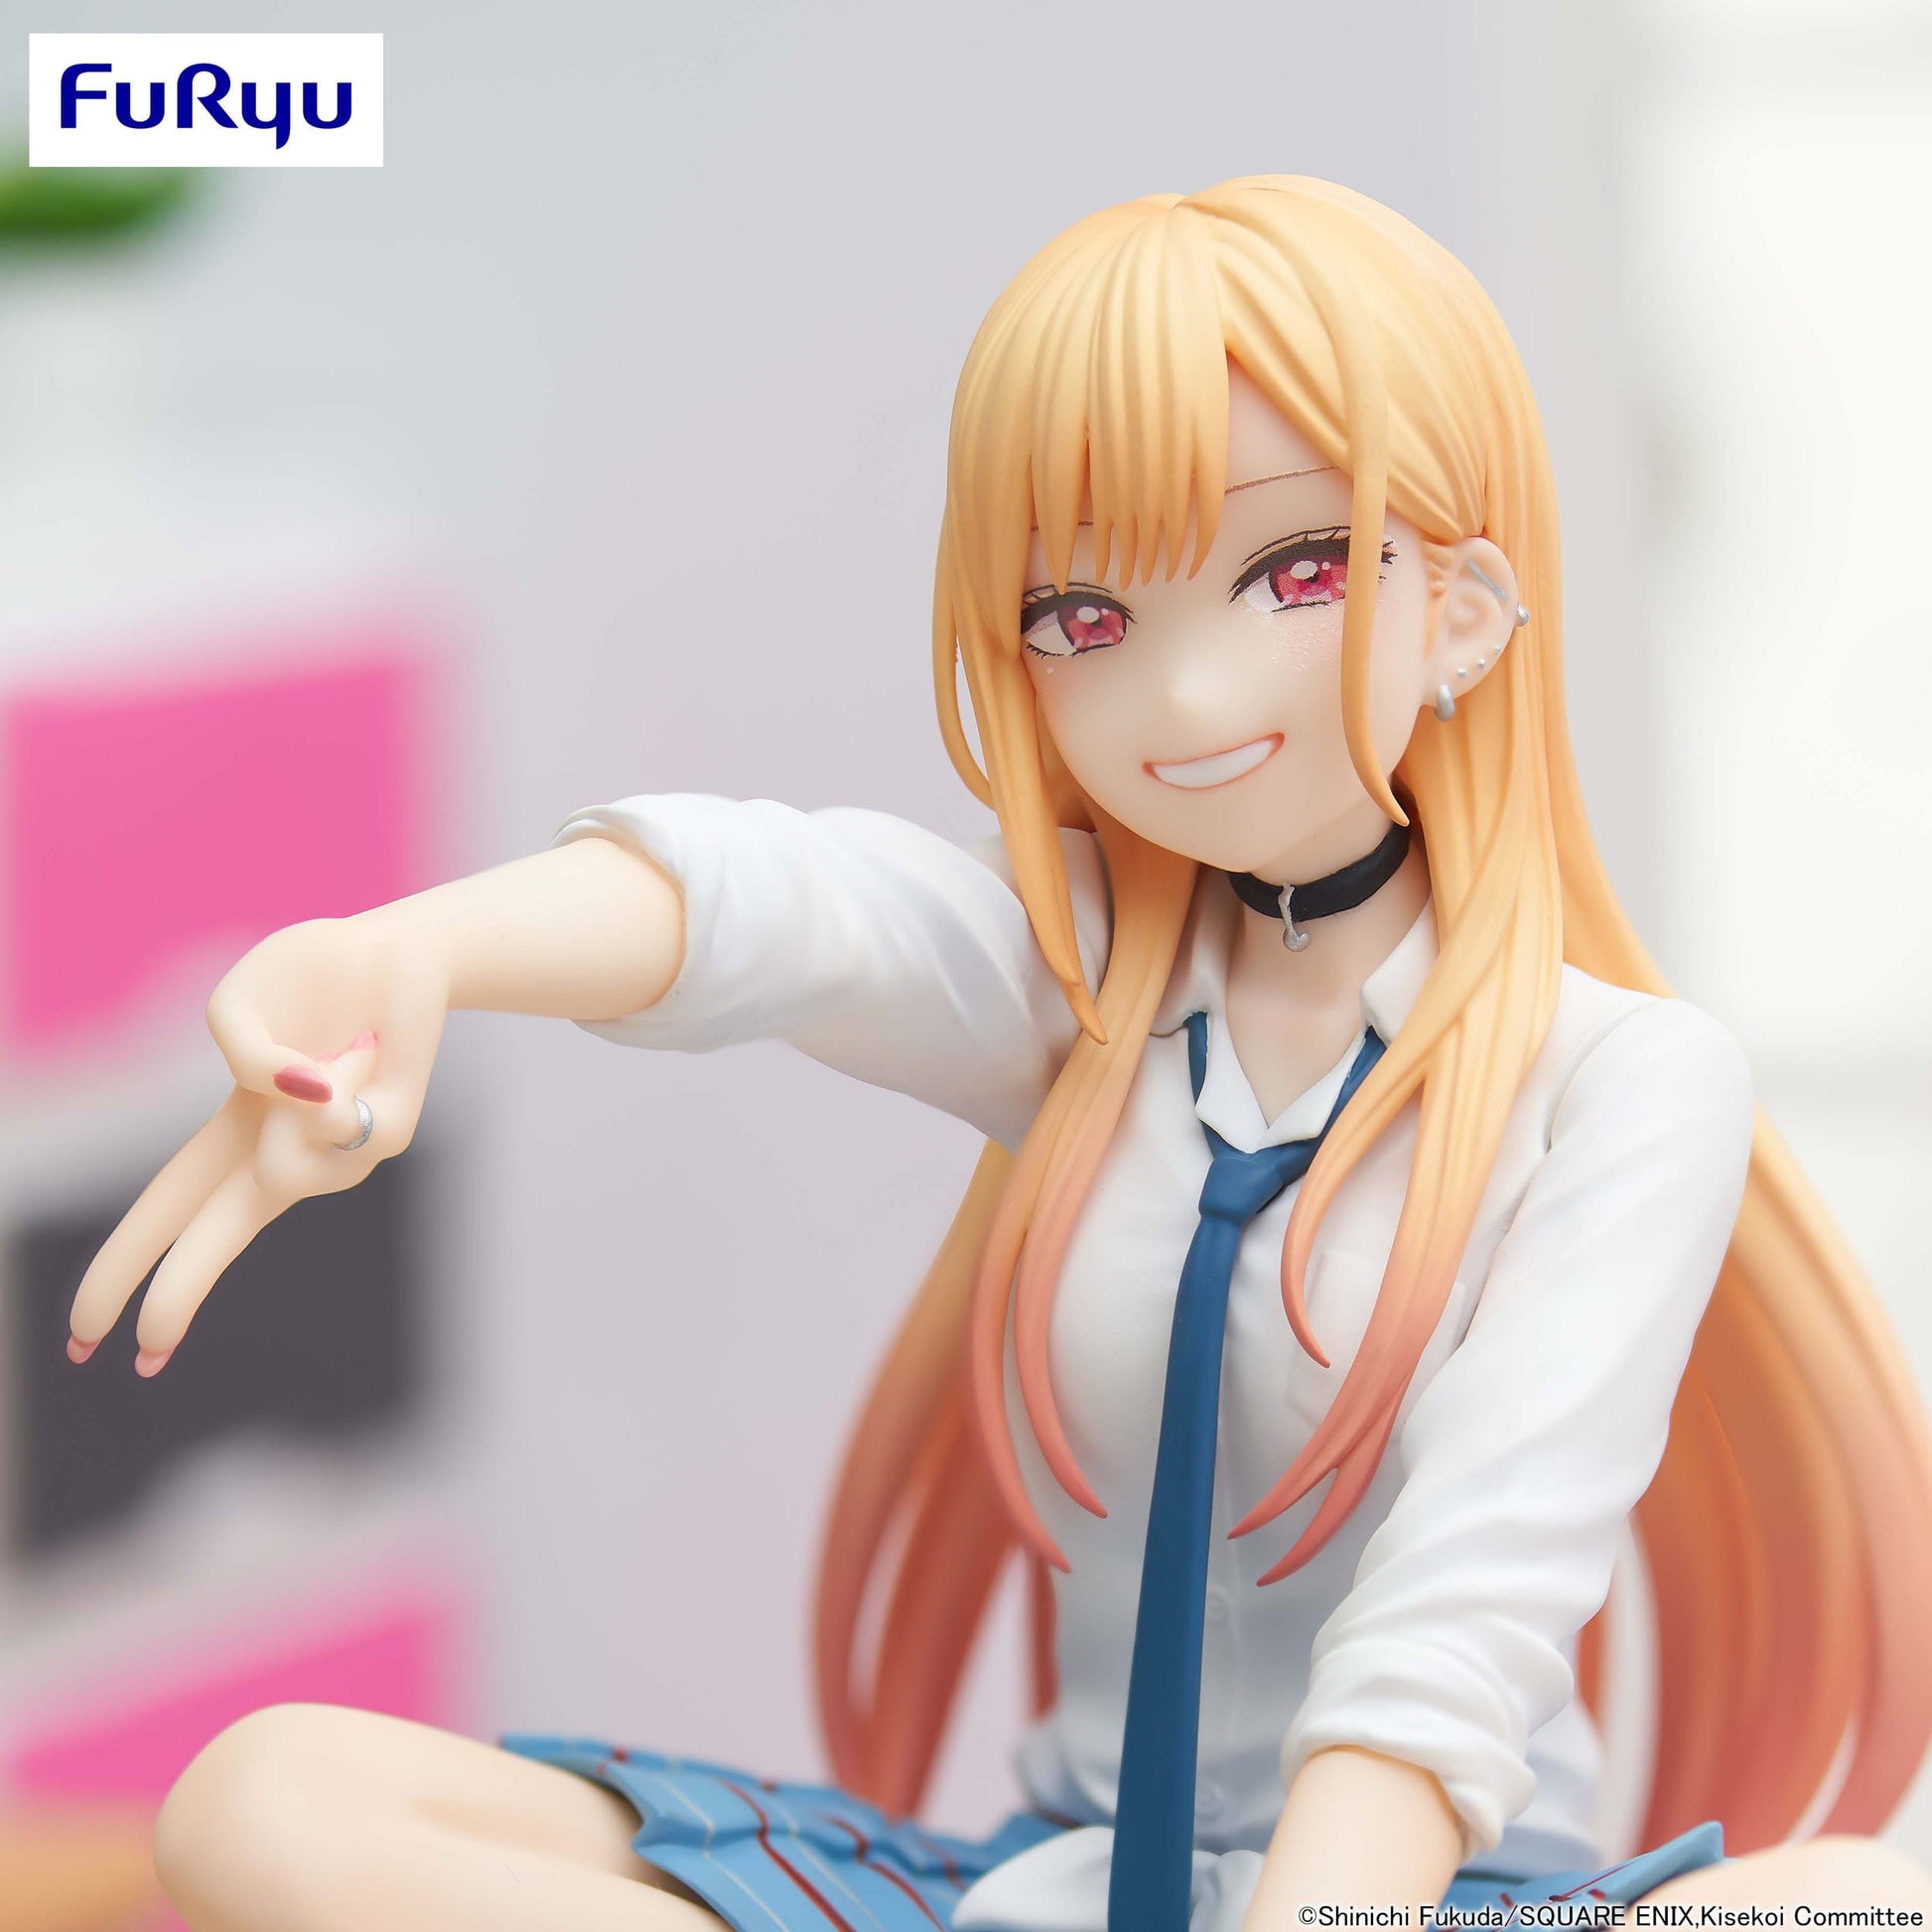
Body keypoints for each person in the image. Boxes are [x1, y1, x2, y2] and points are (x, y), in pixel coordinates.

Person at [68, 178, 1932, 1932]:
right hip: (1057, 1881)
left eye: (1293, 571)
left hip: (1412, 1893)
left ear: (1458, 606)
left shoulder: (1621, 1084)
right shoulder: (1084, 981)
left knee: (1855, 1894)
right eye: (1085, 617)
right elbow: (797, 905)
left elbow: (1464, 1612)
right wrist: (411, 949)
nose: (1181, 695)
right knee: (264, 1799)